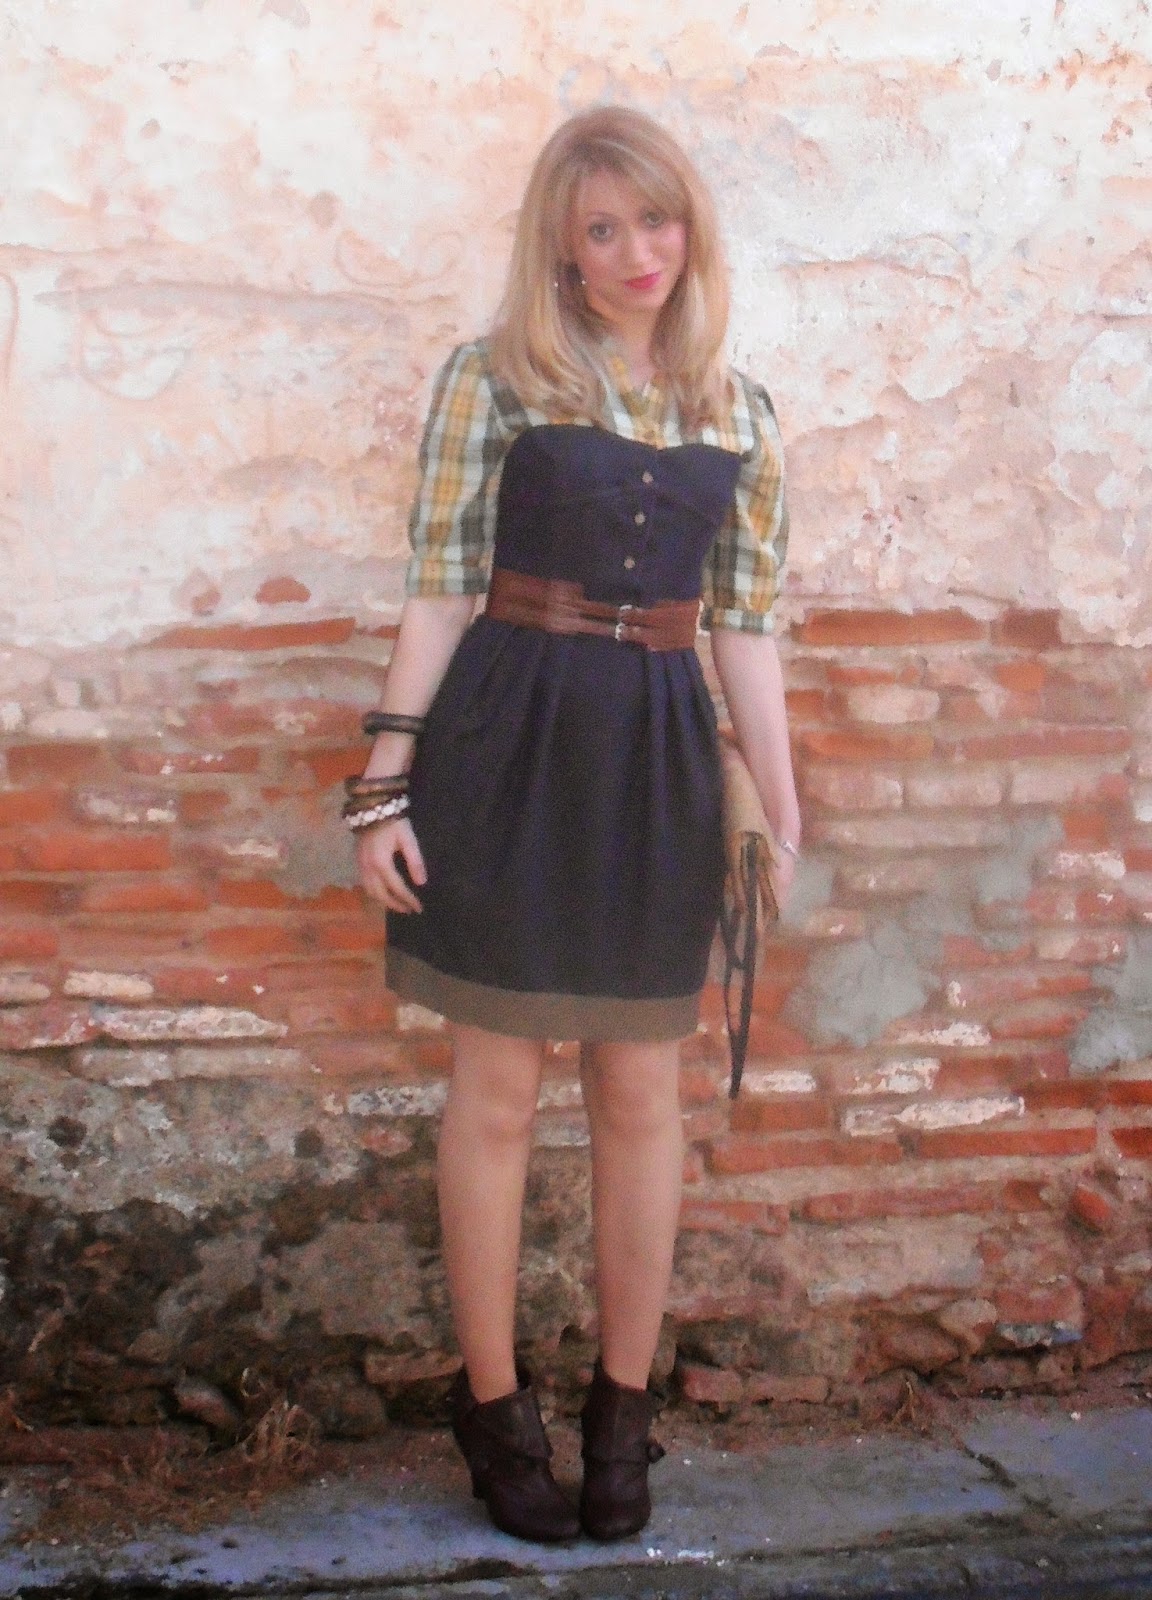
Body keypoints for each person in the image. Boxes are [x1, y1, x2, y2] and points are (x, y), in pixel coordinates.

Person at [350, 105, 800, 1544]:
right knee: (493, 1090)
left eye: (654, 220)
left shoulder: (742, 410)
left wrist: (781, 810)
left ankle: (621, 1411)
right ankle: (493, 1409)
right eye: (601, 227)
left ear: (690, 226)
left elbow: (745, 629)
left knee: (641, 1094)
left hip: (660, 759)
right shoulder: (492, 378)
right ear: (562, 243)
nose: (634, 251)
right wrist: (383, 785)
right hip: (507, 739)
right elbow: (438, 587)